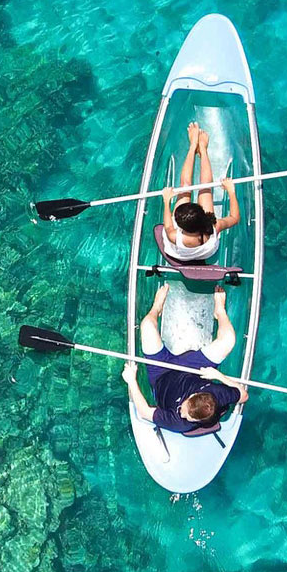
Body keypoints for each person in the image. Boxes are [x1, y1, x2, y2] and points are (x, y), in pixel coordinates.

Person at [121, 283, 250, 433]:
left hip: (161, 375)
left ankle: (156, 307)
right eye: (185, 408)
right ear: (195, 395)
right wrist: (218, 376)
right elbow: (243, 396)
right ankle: (219, 312)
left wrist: (131, 380)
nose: (182, 413)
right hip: (193, 370)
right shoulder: (217, 395)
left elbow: (144, 411)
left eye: (187, 416)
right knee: (228, 340)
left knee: (147, 326)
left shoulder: (179, 422)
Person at [159, 122, 241, 263]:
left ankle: (193, 147)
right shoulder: (213, 227)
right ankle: (202, 148)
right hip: (206, 252)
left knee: (185, 187)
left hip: (180, 252)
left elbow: (167, 225)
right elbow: (234, 218)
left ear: (180, 225)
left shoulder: (174, 235)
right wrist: (231, 191)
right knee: (206, 188)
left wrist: (167, 202)